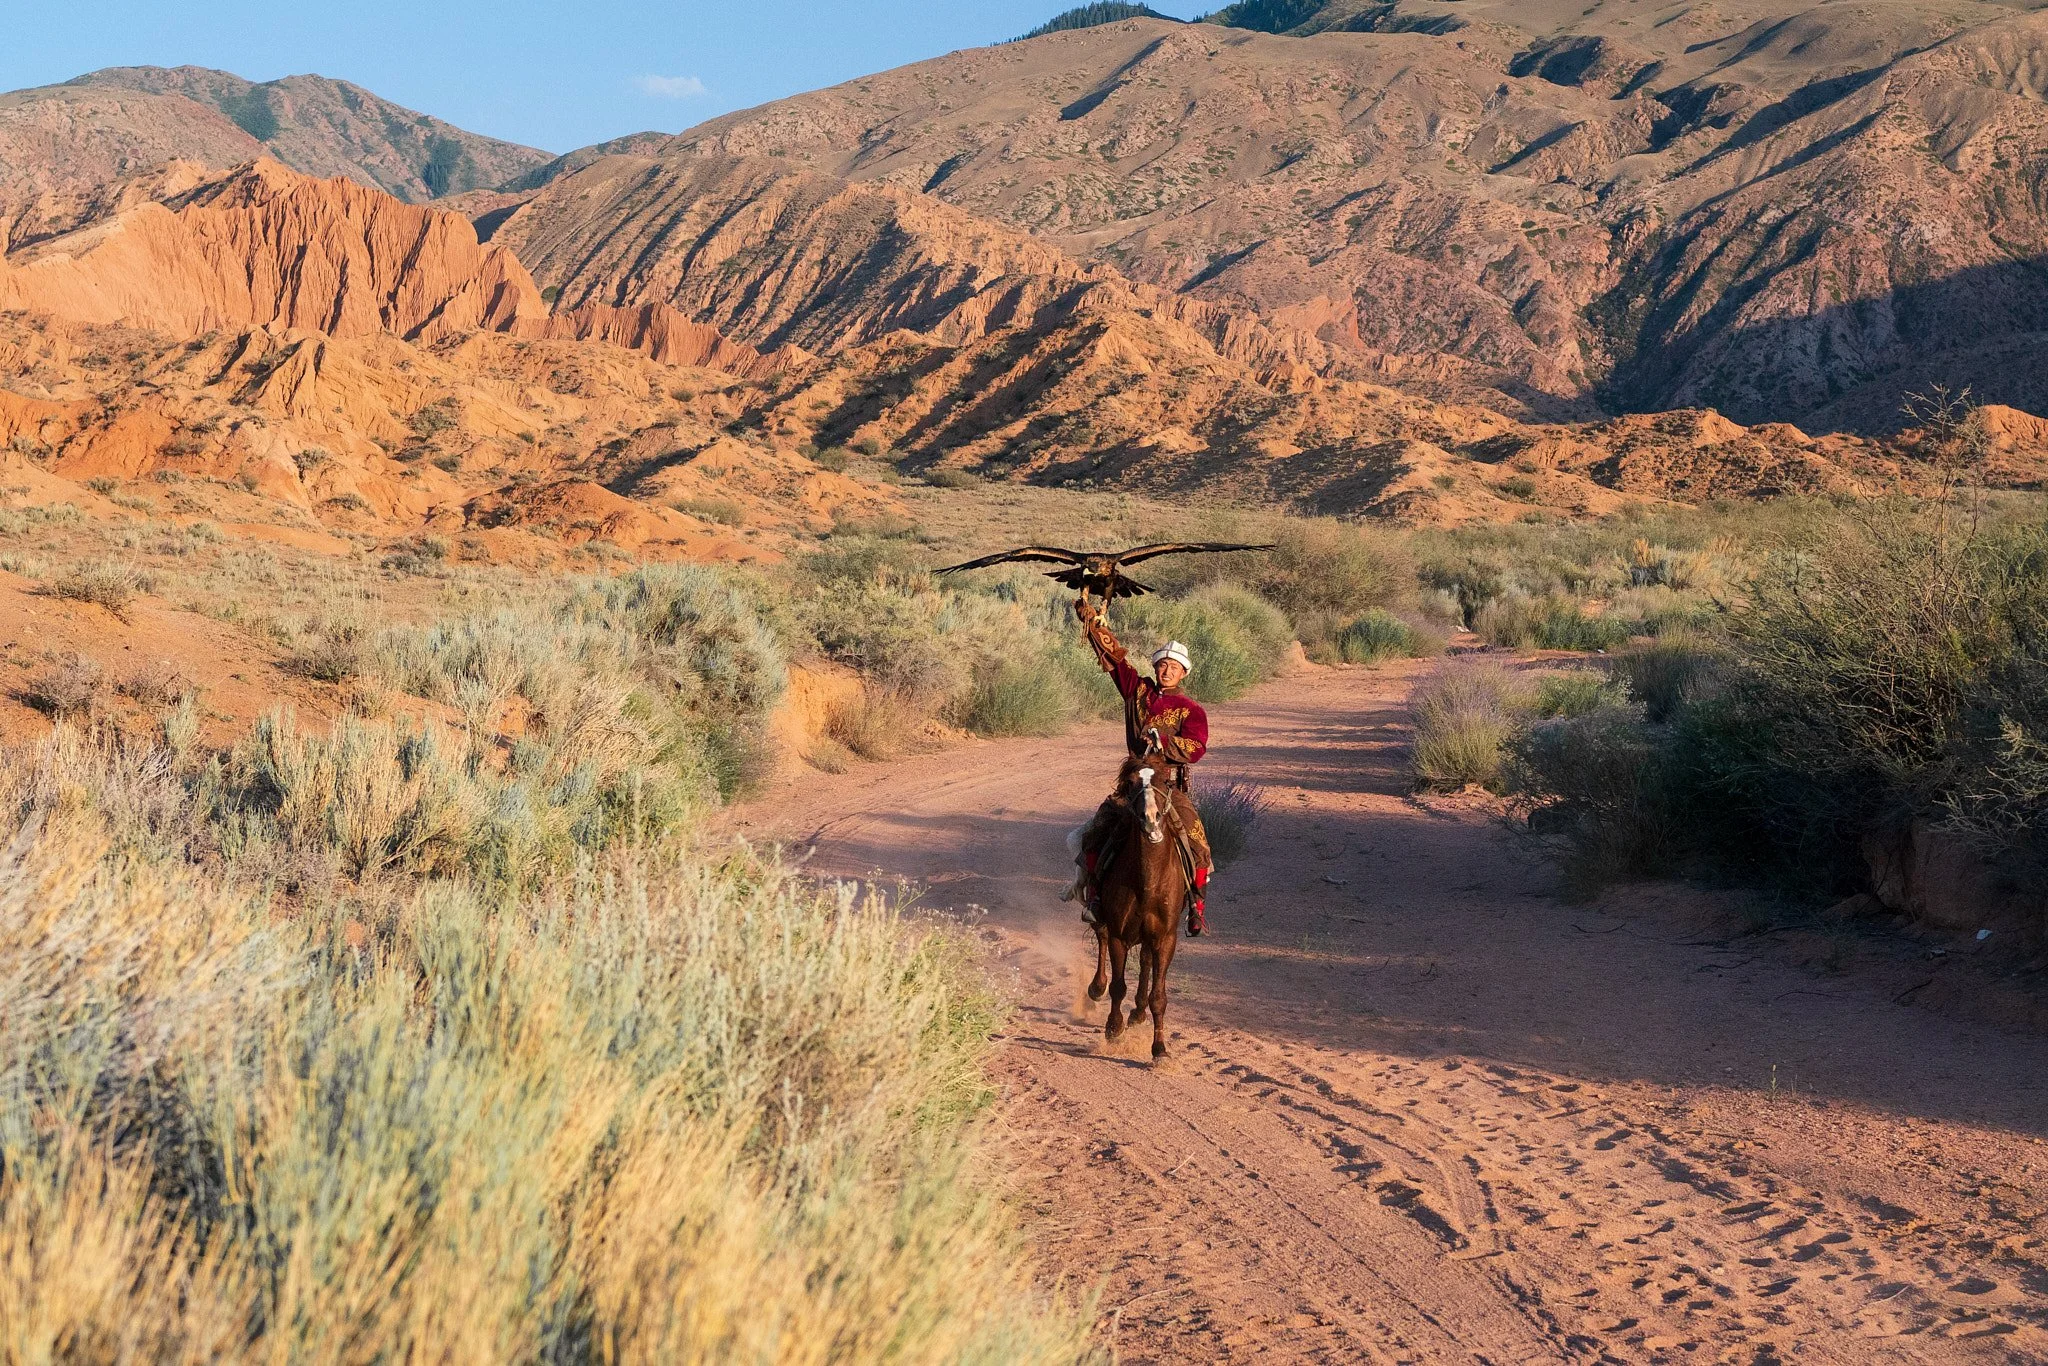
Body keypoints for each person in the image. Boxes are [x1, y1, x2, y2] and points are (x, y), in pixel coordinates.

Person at [1064, 593, 1216, 934]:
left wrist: (1164, 742)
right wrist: (1094, 628)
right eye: (1162, 665)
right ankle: (1093, 898)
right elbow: (1117, 663)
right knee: (1096, 831)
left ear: (1183, 673)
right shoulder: (1139, 691)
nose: (1166, 671)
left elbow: (1197, 747)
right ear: (1156, 666)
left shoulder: (1192, 710)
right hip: (1133, 781)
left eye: (1173, 667)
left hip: (1168, 785)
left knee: (1197, 842)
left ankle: (1195, 906)